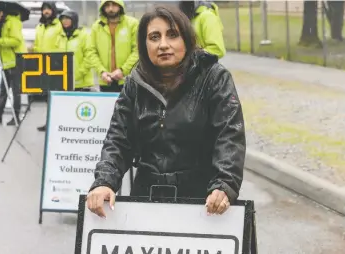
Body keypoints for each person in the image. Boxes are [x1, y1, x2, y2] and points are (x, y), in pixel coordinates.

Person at [86, 5, 245, 218]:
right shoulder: (134, 82)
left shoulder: (214, 78)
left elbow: (229, 135)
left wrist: (224, 185)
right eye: (154, 37)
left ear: (187, 40)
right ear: (144, 44)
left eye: (172, 35)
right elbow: (118, 139)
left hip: (202, 200)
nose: (163, 45)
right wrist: (104, 182)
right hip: (146, 197)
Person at [0, 7, 27, 126]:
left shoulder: (13, 22)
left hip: (16, 60)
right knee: (4, 89)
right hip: (7, 61)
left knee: (16, 91)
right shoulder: (1, 23)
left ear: (1, 12)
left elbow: (16, 41)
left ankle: (16, 117)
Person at [87, 0, 139, 93]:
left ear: (120, 6)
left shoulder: (132, 24)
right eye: (107, 5)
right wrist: (102, 71)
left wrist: (123, 70)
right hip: (106, 80)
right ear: (103, 7)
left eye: (114, 5)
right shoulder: (96, 26)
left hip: (129, 79)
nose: (110, 9)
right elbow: (91, 51)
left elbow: (137, 51)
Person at [33, 2, 63, 132]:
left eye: (48, 9)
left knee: (56, 97)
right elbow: (37, 44)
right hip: (42, 66)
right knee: (47, 97)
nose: (46, 12)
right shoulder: (39, 26)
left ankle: (58, 123)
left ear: (53, 11)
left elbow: (62, 44)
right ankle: (49, 122)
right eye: (44, 9)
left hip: (56, 66)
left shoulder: (59, 26)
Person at [56, 10, 93, 92]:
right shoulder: (60, 37)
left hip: (82, 84)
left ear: (74, 20)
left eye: (68, 18)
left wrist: (79, 73)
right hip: (64, 83)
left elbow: (89, 57)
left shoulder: (84, 35)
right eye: (63, 19)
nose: (64, 21)